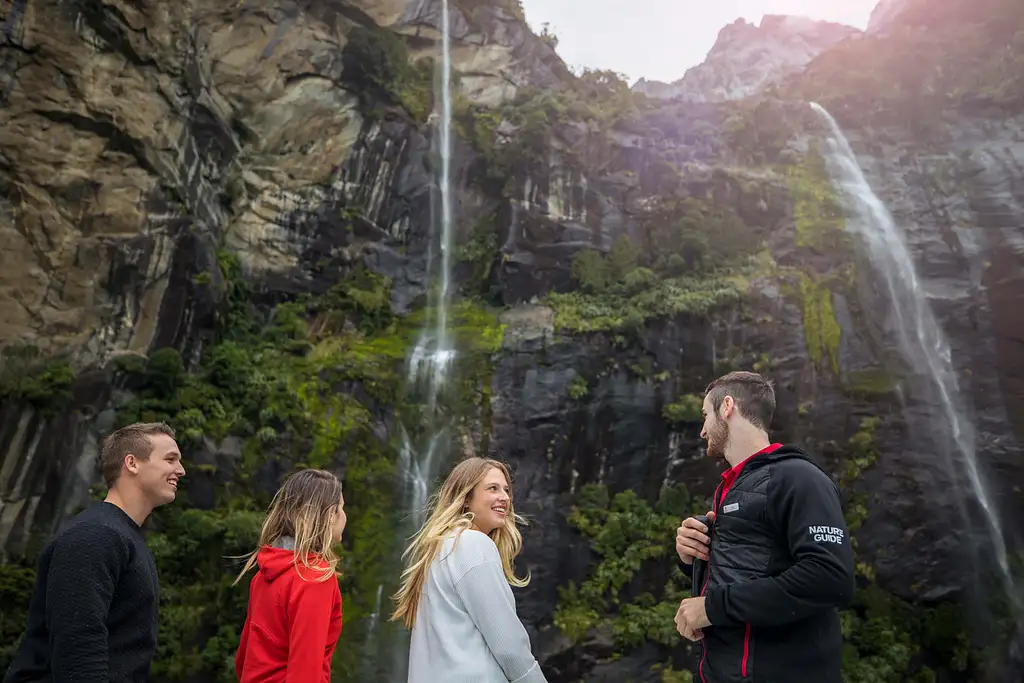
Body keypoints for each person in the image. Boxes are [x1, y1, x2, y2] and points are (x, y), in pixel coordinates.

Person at [673, 371, 855, 683]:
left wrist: (712, 608)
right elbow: (752, 570)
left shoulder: (799, 478)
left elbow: (830, 577)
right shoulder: (731, 488)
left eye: (705, 415)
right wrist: (692, 557)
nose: (702, 431)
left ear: (727, 406)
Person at [4, 422, 185, 683]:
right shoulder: (94, 535)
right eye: (170, 459)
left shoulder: (120, 536)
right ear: (132, 463)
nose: (181, 470)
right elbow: (78, 643)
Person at [391, 457, 547, 683]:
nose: (504, 497)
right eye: (492, 488)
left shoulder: (439, 550)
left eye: (506, 490)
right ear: (466, 498)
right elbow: (508, 645)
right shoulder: (473, 544)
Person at [234, 468, 346, 683]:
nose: (344, 516)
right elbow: (306, 673)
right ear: (330, 514)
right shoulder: (315, 578)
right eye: (341, 508)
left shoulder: (265, 573)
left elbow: (243, 659)